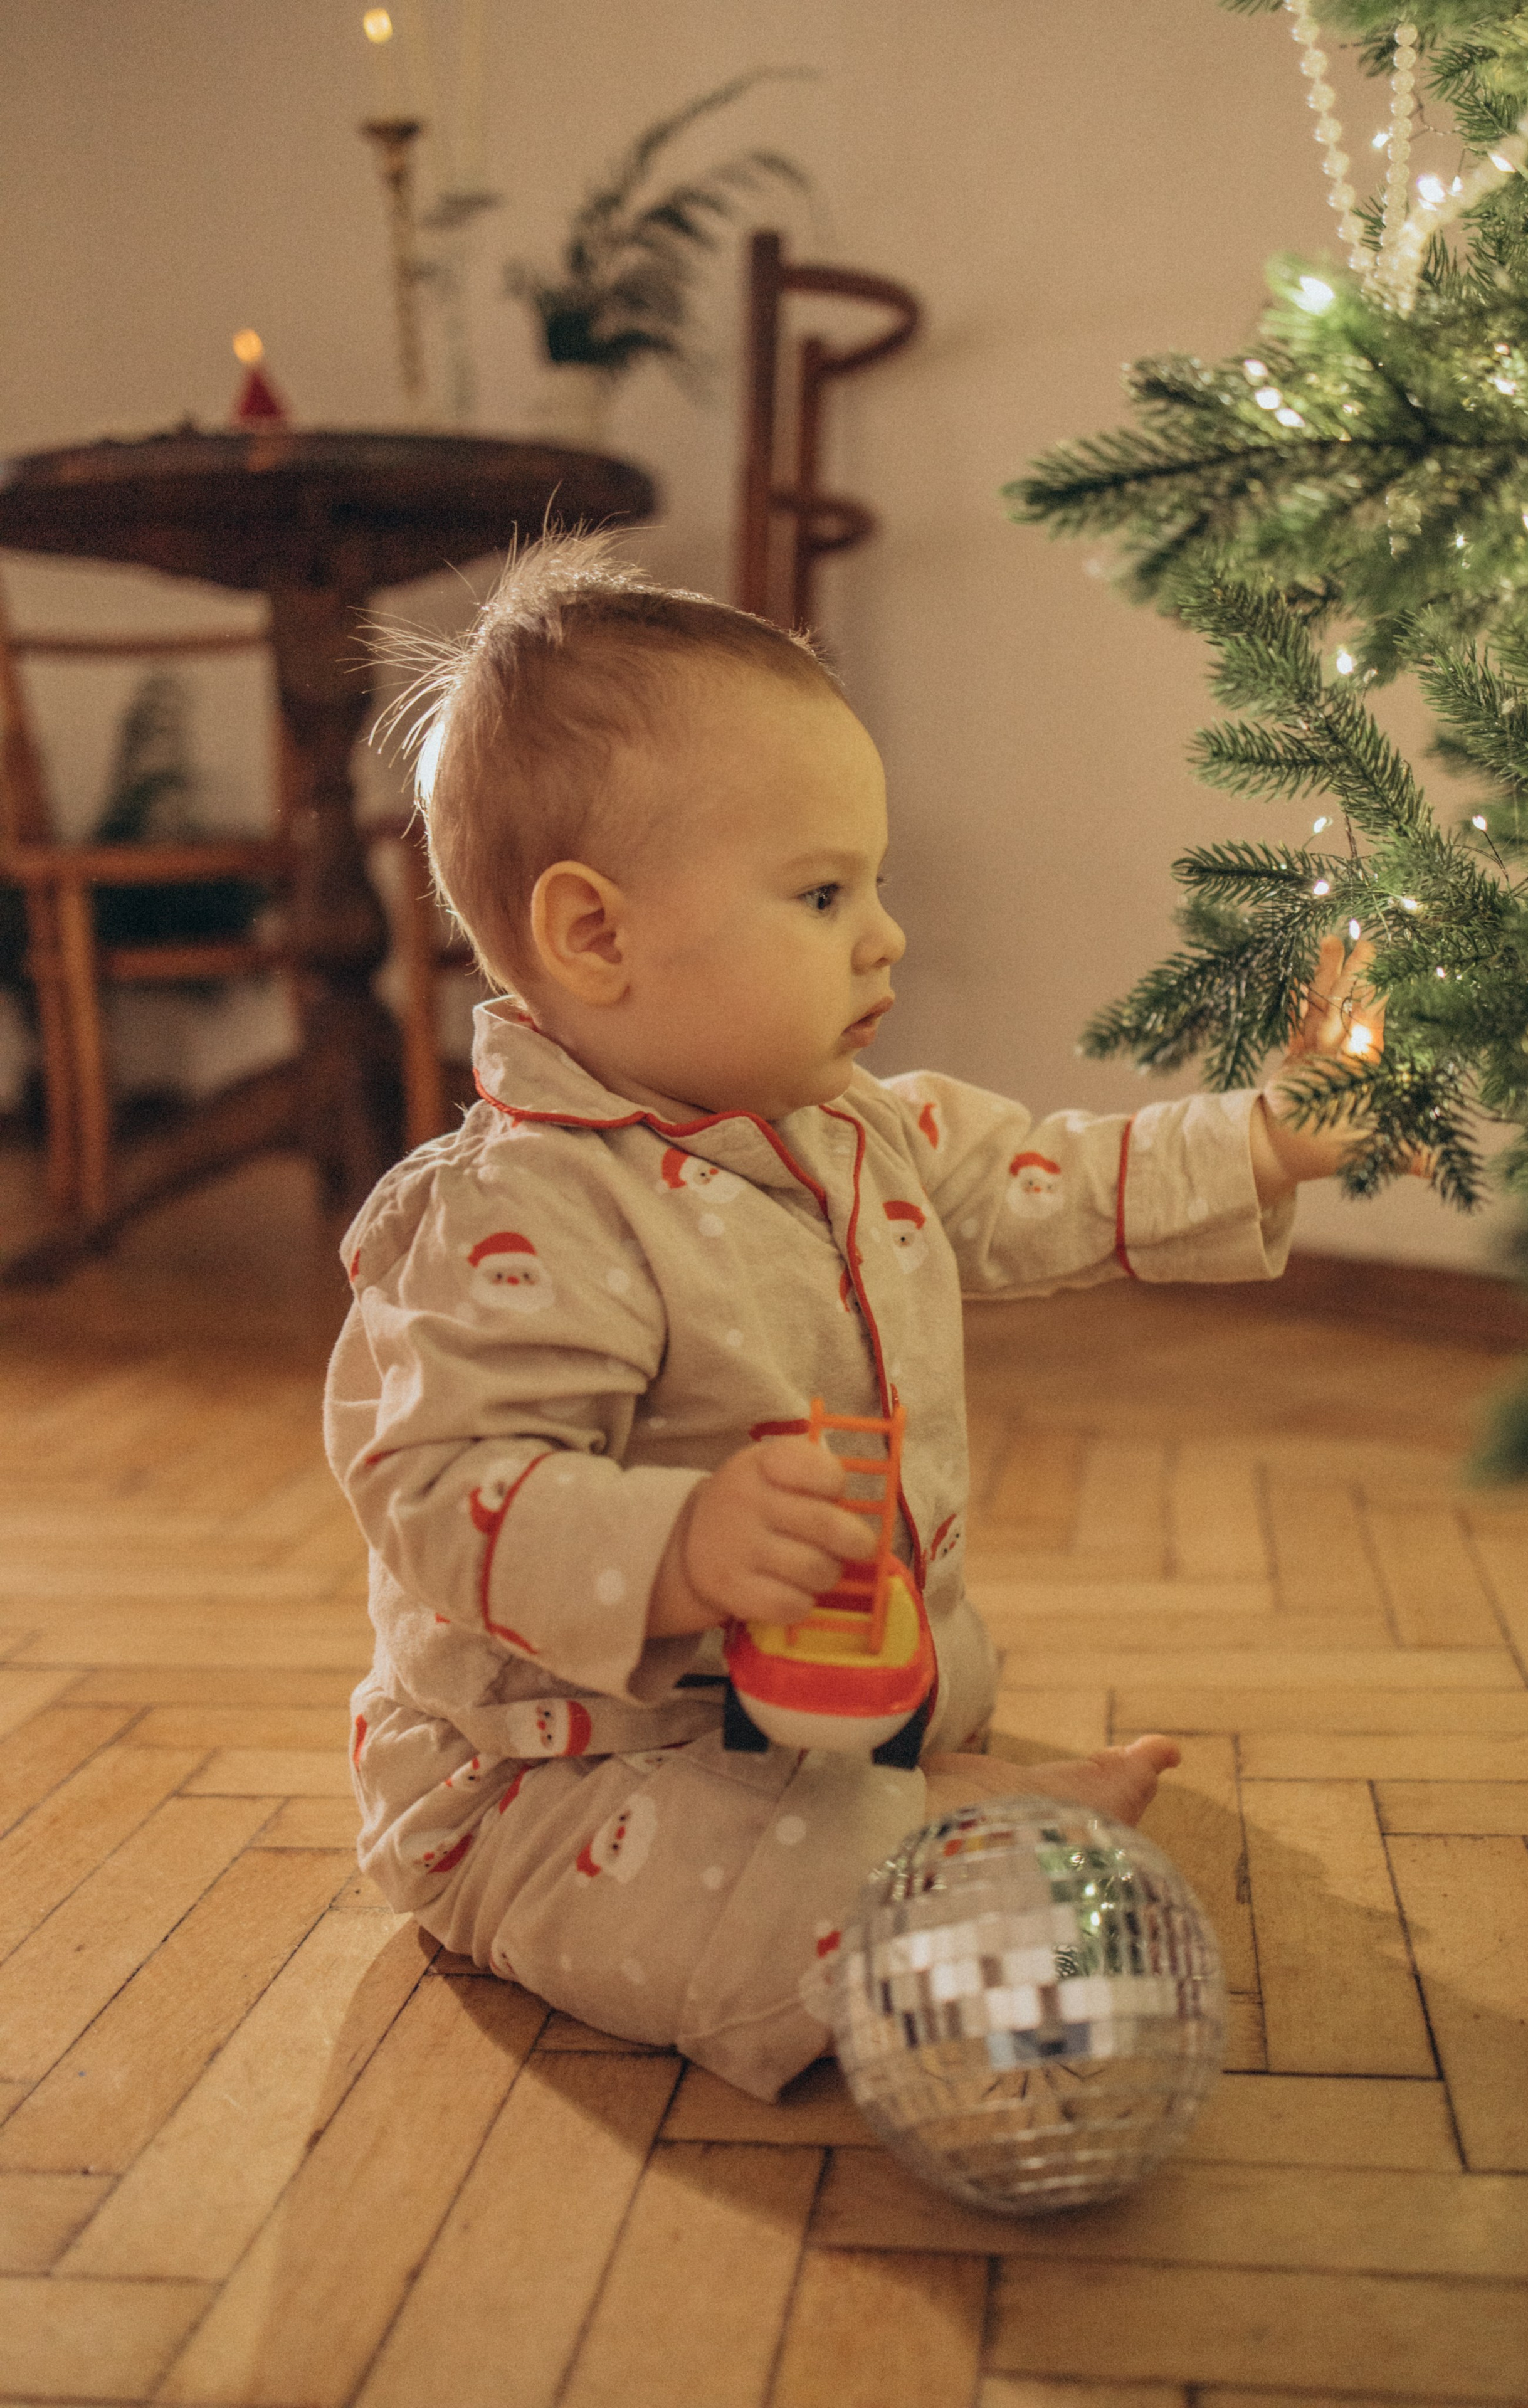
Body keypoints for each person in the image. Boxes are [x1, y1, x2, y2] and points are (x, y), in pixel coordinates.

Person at [326, 532, 1380, 2099]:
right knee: (781, 1904)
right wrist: (672, 1540)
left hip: (799, 1719)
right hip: (554, 1781)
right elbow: (434, 1492)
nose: (881, 935)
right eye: (821, 893)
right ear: (592, 934)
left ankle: (929, 1807)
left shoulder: (851, 1128)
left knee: (828, 1813)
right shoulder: (509, 1219)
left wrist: (1265, 1134)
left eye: (871, 884)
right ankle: (935, 1861)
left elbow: (1056, 1178)